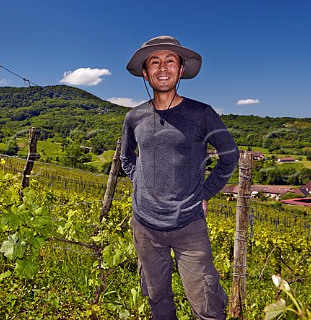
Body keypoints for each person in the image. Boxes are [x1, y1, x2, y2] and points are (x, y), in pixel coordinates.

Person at [121, 35, 239, 320]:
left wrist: (204, 193)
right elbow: (127, 158)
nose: (163, 68)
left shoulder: (202, 114)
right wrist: (143, 184)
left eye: (170, 61)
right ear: (146, 73)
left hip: (189, 226)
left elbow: (230, 157)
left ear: (181, 70)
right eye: (155, 62)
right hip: (145, 227)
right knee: (157, 299)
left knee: (206, 305)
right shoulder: (133, 118)